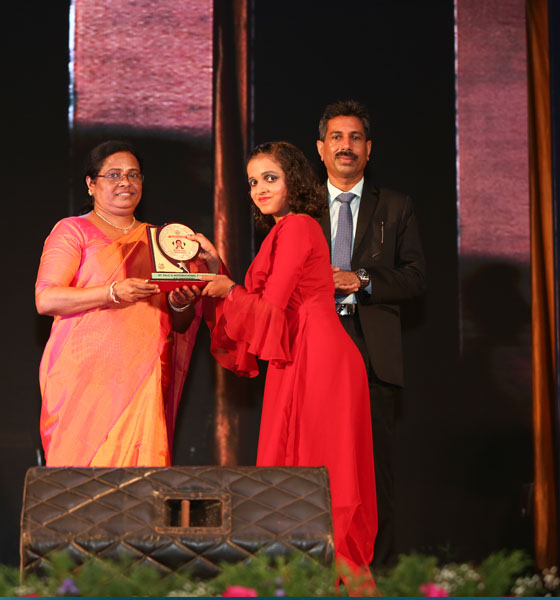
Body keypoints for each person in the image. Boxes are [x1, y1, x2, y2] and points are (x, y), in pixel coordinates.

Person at [194, 142, 377, 581]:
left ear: (293, 180)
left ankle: (330, 581)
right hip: (297, 353)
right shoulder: (283, 231)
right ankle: (301, 580)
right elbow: (261, 303)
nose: (259, 188)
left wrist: (228, 289)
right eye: (253, 181)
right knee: (296, 475)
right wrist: (220, 271)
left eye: (270, 178)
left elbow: (269, 307)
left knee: (319, 475)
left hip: (318, 356)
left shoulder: (297, 227)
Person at [35, 140, 200, 467]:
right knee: (82, 484)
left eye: (133, 175)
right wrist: (112, 292)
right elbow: (47, 298)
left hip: (142, 377)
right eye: (113, 175)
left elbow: (178, 323)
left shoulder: (161, 241)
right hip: (84, 380)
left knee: (140, 483)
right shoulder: (73, 231)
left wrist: (181, 304)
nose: (125, 182)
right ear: (91, 183)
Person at [315, 100, 426, 566]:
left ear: (369, 148)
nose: (346, 146)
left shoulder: (396, 205)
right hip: (313, 349)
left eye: (355, 137)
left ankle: (378, 575)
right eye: (337, 137)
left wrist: (361, 279)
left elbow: (416, 278)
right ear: (321, 148)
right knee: (316, 466)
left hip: (371, 352)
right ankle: (315, 573)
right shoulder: (298, 207)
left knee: (374, 471)